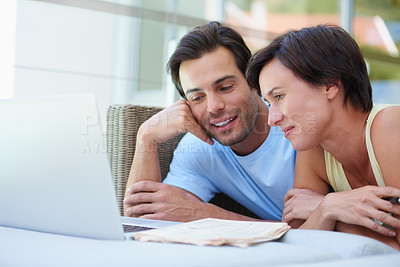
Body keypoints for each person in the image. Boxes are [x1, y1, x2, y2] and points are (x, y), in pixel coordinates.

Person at [246, 24, 400, 250]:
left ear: (329, 85)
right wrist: (329, 208)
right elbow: (296, 245)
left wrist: (328, 211)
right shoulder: (312, 147)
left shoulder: (390, 127)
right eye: (269, 103)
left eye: (279, 96)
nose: (272, 118)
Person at [123, 21, 296, 222]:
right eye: (198, 98)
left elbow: (318, 232)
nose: (214, 107)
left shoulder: (294, 126)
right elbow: (142, 219)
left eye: (225, 88)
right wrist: (146, 137)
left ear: (253, 81)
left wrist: (203, 214)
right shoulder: (199, 148)